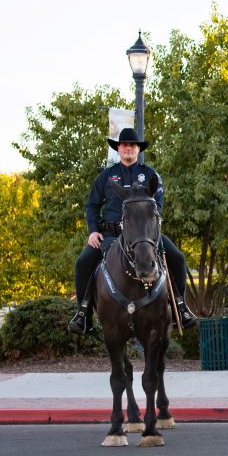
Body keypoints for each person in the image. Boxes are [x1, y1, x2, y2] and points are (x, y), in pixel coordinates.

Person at [68, 128, 198, 334]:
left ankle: (180, 308)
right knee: (83, 263)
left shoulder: (150, 175)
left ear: (138, 149)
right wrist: (93, 231)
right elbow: (91, 205)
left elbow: (158, 205)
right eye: (124, 145)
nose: (128, 148)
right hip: (109, 234)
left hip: (144, 235)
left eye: (132, 145)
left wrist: (149, 227)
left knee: (177, 258)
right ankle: (83, 314)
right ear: (118, 148)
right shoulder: (106, 176)